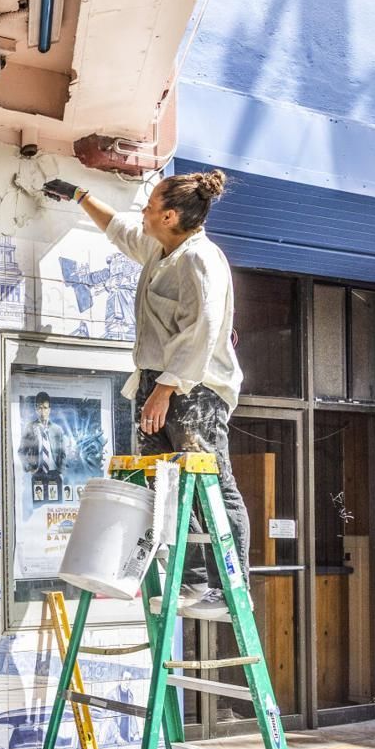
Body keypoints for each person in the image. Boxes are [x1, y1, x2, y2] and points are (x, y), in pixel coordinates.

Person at [45, 170, 246, 620]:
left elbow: (204, 331)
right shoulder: (162, 251)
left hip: (194, 388)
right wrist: (79, 196)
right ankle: (194, 581)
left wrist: (165, 390)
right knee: (166, 486)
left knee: (214, 484)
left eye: (151, 206)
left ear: (171, 215)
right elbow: (121, 231)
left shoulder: (202, 260)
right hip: (158, 382)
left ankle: (231, 585)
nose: (144, 212)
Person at [17, 391, 72, 505]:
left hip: (54, 474)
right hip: (38, 473)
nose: (43, 412)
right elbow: (21, 451)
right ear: (36, 409)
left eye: (45, 408)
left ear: (50, 409)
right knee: (38, 505)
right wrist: (29, 467)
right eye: (40, 408)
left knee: (56, 506)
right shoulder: (30, 427)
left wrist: (61, 470)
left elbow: (63, 452)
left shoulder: (57, 429)